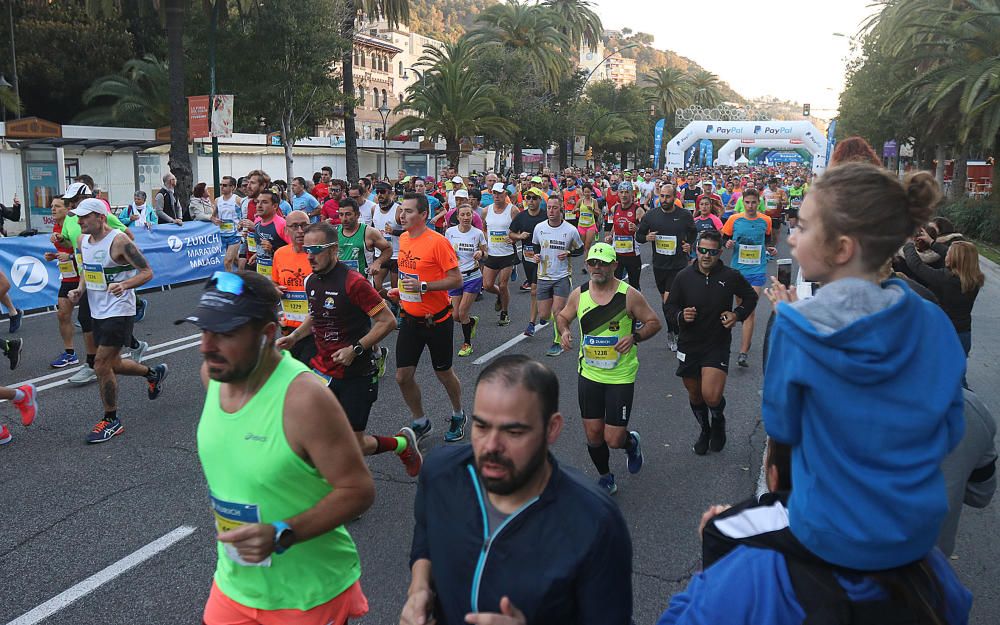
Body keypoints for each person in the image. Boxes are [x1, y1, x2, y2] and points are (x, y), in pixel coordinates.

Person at [763, 163, 966, 573]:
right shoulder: (934, 321)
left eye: (801, 227)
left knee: (717, 534)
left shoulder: (794, 326)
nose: (791, 236)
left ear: (841, 249)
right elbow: (951, 428)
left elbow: (782, 428)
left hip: (825, 530)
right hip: (918, 532)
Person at [183, 270, 374, 625]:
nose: (206, 346)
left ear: (267, 335)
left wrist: (283, 532)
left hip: (307, 593)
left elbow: (358, 490)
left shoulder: (304, 399)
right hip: (235, 585)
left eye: (225, 334)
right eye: (204, 330)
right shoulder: (214, 376)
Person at [401, 354, 633, 625]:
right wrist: (419, 590)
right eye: (481, 426)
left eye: (513, 432)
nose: (491, 446)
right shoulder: (441, 471)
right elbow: (426, 536)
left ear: (552, 428)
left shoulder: (595, 521)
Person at [274, 224, 423, 479]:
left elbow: (387, 321)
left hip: (357, 373)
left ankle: (401, 444)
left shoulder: (354, 283)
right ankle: (332, 486)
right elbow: (316, 314)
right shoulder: (311, 279)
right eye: (307, 249)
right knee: (315, 434)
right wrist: (296, 336)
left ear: (333, 250)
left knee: (354, 444)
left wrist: (355, 349)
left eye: (316, 250)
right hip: (322, 370)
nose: (309, 256)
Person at [557, 243, 661, 495]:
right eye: (593, 263)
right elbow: (562, 316)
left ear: (614, 265)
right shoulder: (579, 294)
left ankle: (630, 442)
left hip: (620, 376)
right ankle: (606, 477)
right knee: (594, 435)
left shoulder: (629, 295)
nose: (597, 267)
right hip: (589, 374)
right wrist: (565, 331)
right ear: (587, 265)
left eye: (603, 263)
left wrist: (635, 337)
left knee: (613, 439)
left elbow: (654, 322)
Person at [66, 199, 168, 443]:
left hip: (120, 309)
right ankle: (152, 373)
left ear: (101, 218)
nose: (79, 222)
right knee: (114, 363)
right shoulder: (82, 240)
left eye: (84, 217)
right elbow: (87, 269)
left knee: (100, 364)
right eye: (78, 217)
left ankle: (111, 420)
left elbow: (147, 272)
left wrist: (124, 284)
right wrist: (80, 289)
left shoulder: (120, 241)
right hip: (98, 309)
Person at [665, 230, 758, 455]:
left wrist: (736, 315)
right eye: (702, 250)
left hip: (716, 343)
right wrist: (680, 316)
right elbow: (670, 307)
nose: (706, 256)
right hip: (689, 344)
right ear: (696, 249)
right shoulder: (683, 276)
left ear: (719, 252)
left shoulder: (730, 275)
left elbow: (751, 297)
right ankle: (705, 429)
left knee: (711, 395)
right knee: (695, 394)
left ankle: (718, 420)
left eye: (712, 252)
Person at [390, 193, 466, 442]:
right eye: (402, 210)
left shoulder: (438, 242)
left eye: (409, 211)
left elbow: (456, 280)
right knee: (402, 376)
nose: (403, 215)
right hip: (410, 319)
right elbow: (407, 276)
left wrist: (423, 287)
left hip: (438, 321)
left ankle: (458, 413)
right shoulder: (403, 238)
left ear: (423, 215)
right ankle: (421, 421)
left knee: (444, 374)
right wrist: (400, 291)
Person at [636, 182, 696, 352]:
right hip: (660, 265)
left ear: (675, 197)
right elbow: (639, 235)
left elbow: (693, 232)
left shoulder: (684, 215)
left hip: (678, 264)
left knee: (669, 300)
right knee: (666, 300)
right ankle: (673, 328)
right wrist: (647, 237)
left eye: (667, 196)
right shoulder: (652, 216)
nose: (664, 199)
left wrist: (689, 245)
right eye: (662, 196)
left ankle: (676, 331)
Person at [721, 188, 775, 367]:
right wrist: (727, 243)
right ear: (742, 203)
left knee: (749, 308)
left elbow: (766, 241)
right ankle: (747, 336)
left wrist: (769, 249)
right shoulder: (734, 220)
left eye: (754, 202)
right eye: (747, 202)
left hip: (757, 270)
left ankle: (743, 353)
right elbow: (724, 239)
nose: (751, 206)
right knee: (742, 310)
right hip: (738, 270)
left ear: (758, 203)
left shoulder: (765, 220)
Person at [903, 239, 983, 360]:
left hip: (944, 334)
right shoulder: (974, 279)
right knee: (957, 375)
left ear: (956, 259)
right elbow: (960, 254)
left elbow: (916, 265)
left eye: (949, 254)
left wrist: (908, 244)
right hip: (963, 335)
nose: (945, 255)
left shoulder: (947, 279)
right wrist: (931, 242)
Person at [532, 195, 583, 357]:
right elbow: (535, 246)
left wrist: (569, 252)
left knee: (558, 311)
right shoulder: (539, 227)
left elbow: (580, 250)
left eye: (555, 208)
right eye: (548, 208)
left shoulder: (570, 230)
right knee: (544, 314)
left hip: (562, 276)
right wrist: (536, 256)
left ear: (561, 209)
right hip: (544, 276)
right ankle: (562, 327)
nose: (551, 211)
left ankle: (557, 341)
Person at [269, 210, 315, 365]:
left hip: (316, 327)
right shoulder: (280, 254)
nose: (300, 231)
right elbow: (274, 282)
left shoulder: (318, 254)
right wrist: (275, 289)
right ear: (286, 230)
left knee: (309, 373)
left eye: (304, 225)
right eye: (295, 226)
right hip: (290, 326)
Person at [43, 197, 83, 367]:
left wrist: (71, 256)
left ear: (68, 209)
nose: (53, 209)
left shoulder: (75, 223)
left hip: (84, 276)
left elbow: (83, 249)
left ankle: (126, 344)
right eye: (52, 206)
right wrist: (54, 256)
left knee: (92, 319)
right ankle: (70, 353)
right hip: (68, 276)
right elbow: (65, 249)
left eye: (57, 206)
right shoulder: (56, 227)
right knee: (62, 314)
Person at [446, 205, 487, 357]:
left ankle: (467, 344)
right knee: (455, 316)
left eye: (468, 214)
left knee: (462, 312)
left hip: (473, 276)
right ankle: (470, 322)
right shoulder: (450, 232)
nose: (465, 217)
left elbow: (486, 254)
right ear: (458, 217)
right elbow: (445, 251)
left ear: (472, 216)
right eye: (462, 215)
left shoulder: (478, 233)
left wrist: (480, 252)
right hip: (456, 277)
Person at [510, 188, 549, 336]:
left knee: (534, 290)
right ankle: (544, 312)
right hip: (528, 258)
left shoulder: (546, 217)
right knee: (538, 290)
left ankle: (531, 323)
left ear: (540, 200)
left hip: (544, 259)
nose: (531, 201)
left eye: (534, 198)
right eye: (528, 198)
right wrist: (519, 236)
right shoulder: (521, 217)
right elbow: (511, 233)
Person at [481, 183, 519, 327]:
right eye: (494, 193)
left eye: (500, 193)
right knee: (487, 285)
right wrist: (487, 238)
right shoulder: (486, 211)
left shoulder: (513, 210)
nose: (497, 196)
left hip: (507, 254)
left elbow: (518, 230)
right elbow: (483, 229)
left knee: (503, 285)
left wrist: (513, 237)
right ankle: (499, 296)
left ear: (506, 194)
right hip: (492, 253)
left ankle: (505, 312)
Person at [604, 181, 644, 290]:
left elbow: (646, 231)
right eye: (621, 192)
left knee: (634, 286)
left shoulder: (638, 210)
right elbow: (614, 226)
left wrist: (637, 229)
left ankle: (636, 306)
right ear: (618, 194)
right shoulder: (615, 208)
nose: (624, 195)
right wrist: (610, 236)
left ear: (632, 194)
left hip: (632, 255)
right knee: (615, 285)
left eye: (626, 192)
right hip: (617, 254)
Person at [212, 176, 243, 272]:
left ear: (232, 187)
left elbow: (246, 214)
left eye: (225, 185)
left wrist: (241, 224)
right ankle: (247, 276)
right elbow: (213, 216)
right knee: (236, 260)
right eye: (221, 185)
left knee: (227, 261)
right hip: (224, 234)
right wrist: (215, 220)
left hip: (236, 234)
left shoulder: (238, 200)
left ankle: (230, 285)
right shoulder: (218, 200)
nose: (222, 187)